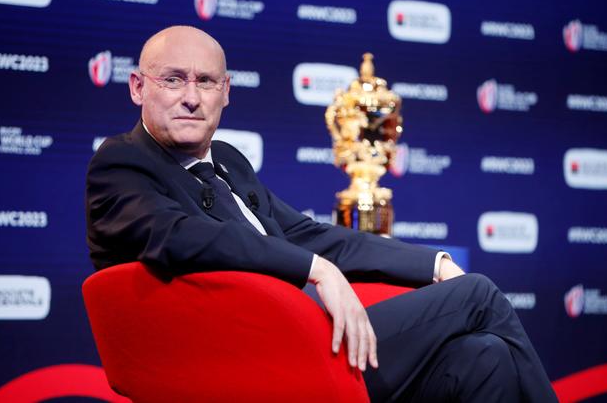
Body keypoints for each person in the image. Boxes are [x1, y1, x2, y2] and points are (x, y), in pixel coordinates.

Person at [85, 25, 558, 402]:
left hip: (304, 340)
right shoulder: (122, 162)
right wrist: (316, 270)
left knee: (484, 356)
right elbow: (180, 236)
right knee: (477, 295)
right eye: (173, 79)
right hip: (249, 361)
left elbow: (310, 235)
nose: (191, 96)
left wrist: (432, 265)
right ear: (137, 87)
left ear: (225, 92)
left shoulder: (228, 160)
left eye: (205, 81)